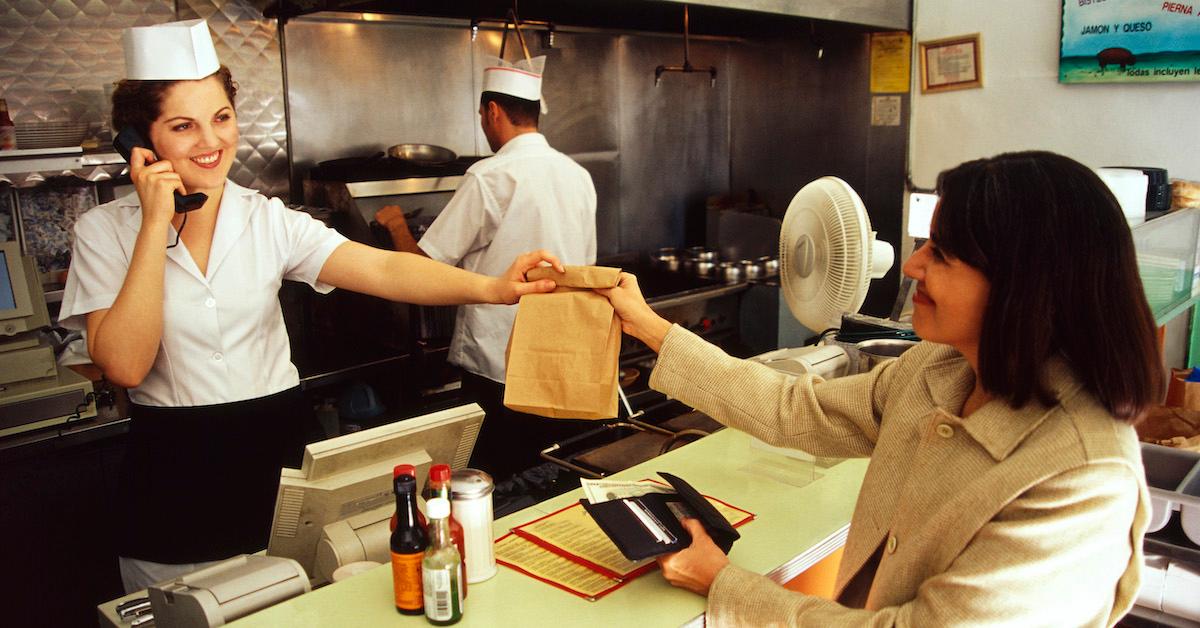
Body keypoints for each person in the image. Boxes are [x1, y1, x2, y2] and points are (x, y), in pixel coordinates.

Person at [58, 20, 563, 593]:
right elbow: (124, 365)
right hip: (174, 486)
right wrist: (154, 222)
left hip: (278, 476)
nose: (212, 141)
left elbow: (380, 268)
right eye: (183, 125)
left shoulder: (266, 219)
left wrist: (491, 288)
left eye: (222, 117)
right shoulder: (105, 232)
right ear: (141, 141)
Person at [600, 151, 1161, 626]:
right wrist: (647, 324)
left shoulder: (1082, 478)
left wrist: (725, 586)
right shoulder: (938, 370)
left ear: (1025, 285)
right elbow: (795, 408)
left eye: (940, 252)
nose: (913, 265)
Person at [375, 55, 598, 480]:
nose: (483, 122)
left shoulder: (490, 176)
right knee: (558, 475)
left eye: (482, 114)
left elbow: (422, 266)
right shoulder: (577, 175)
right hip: (565, 358)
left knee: (499, 483)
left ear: (492, 111)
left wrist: (396, 225)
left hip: (502, 366)